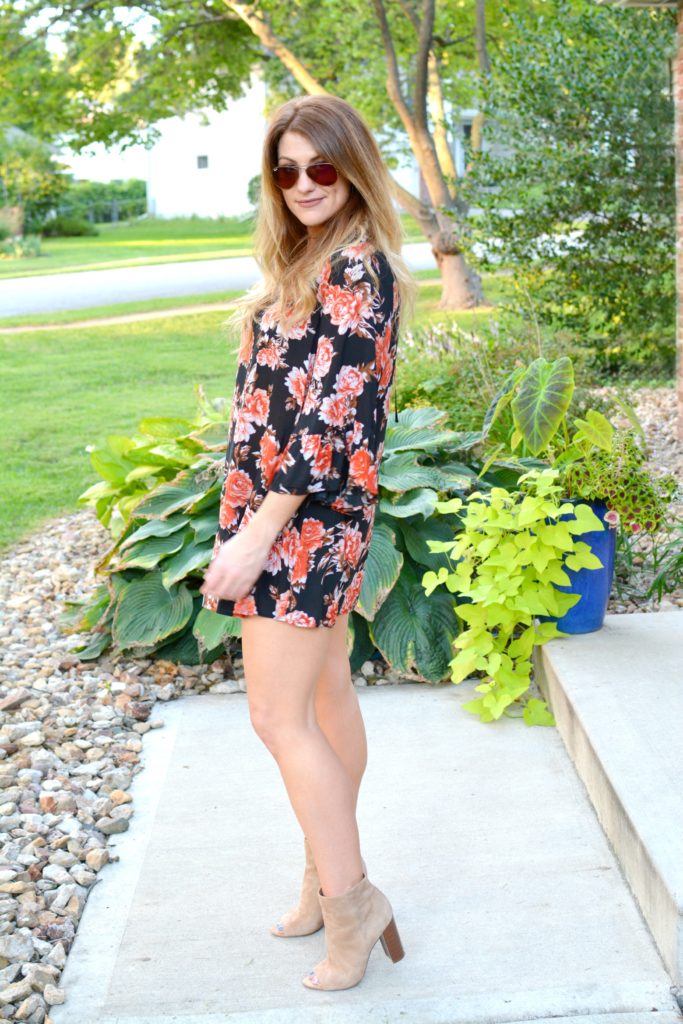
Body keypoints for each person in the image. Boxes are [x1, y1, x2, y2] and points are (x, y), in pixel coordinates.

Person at [199, 93, 416, 991]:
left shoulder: (357, 270)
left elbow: (331, 422)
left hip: (302, 518)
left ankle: (352, 904)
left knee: (275, 717)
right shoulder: (312, 263)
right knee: (324, 701)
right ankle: (325, 871)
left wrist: (253, 538)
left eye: (320, 166)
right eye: (284, 170)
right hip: (293, 511)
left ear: (351, 167)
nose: (301, 184)